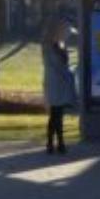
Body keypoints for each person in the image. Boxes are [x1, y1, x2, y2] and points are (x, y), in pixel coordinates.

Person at [41, 17, 76, 154]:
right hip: (54, 83)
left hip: (61, 83)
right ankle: (56, 143)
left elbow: (63, 63)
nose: (66, 34)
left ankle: (55, 143)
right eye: (64, 31)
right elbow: (55, 65)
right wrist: (67, 72)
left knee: (58, 113)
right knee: (55, 113)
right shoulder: (48, 46)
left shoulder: (60, 45)